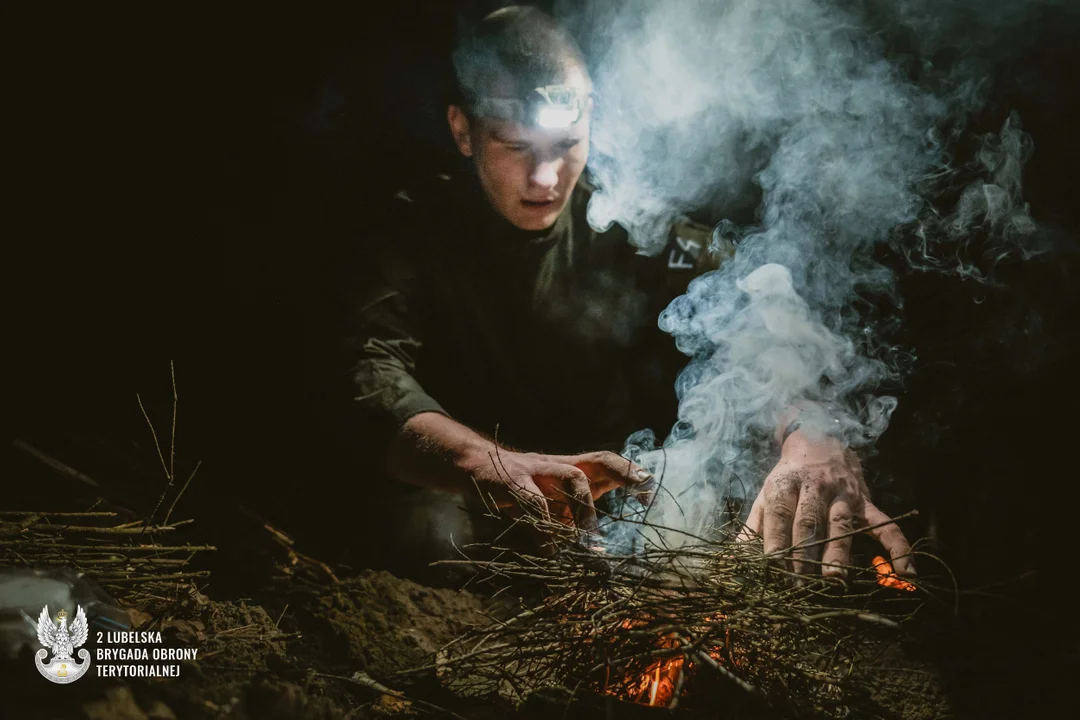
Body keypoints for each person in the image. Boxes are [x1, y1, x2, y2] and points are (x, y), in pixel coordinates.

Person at [335, 5, 913, 579]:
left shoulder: (628, 220)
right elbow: (366, 369)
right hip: (467, 497)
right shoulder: (413, 228)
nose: (544, 177)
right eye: (515, 146)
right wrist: (483, 462)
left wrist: (810, 430)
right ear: (463, 130)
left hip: (612, 508)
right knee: (430, 536)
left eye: (566, 144)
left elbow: (754, 313)